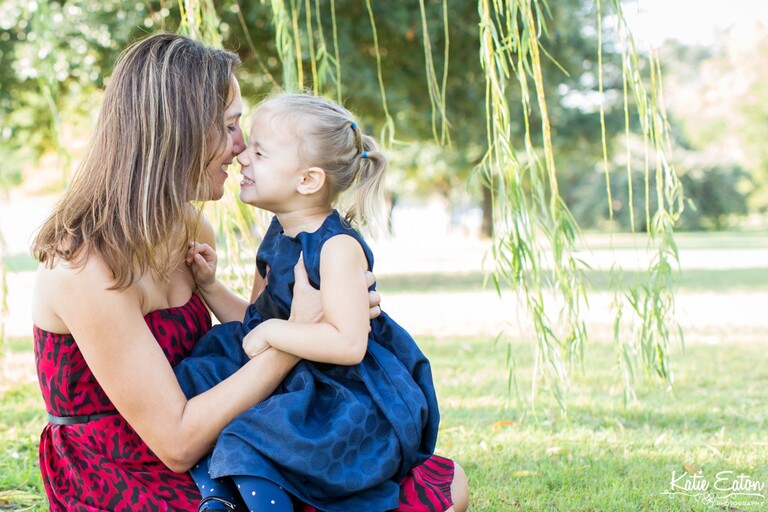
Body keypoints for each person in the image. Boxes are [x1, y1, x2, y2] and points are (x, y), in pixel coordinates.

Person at [30, 33, 468, 512]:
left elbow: (248, 336)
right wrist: (297, 334)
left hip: (214, 437)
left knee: (443, 483)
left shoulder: (189, 230)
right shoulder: (84, 267)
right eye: (230, 126)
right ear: (177, 132)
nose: (241, 149)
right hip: (122, 468)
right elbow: (176, 442)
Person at [174, 92, 453, 512]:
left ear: (308, 180)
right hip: (288, 376)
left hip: (337, 392)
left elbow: (347, 343)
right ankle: (218, 493)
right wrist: (211, 287)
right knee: (197, 377)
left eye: (260, 151)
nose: (242, 157)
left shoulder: (337, 247)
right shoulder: (276, 235)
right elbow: (254, 325)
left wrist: (274, 332)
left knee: (256, 433)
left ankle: (259, 503)